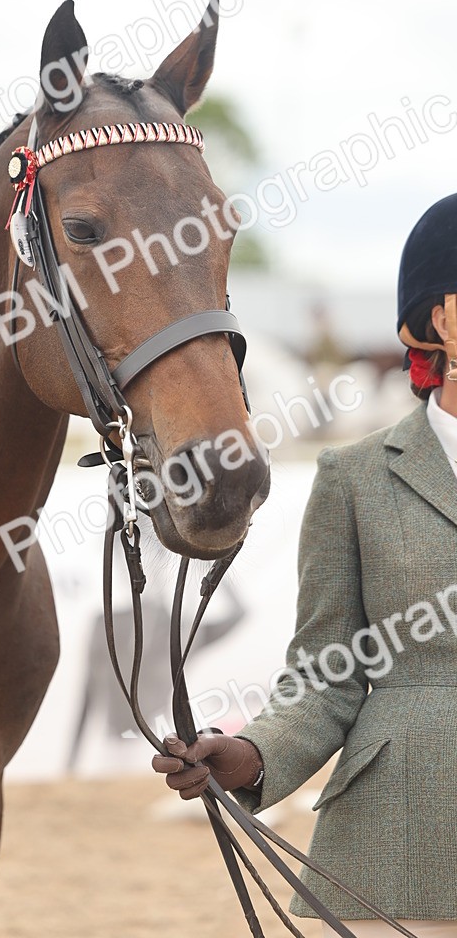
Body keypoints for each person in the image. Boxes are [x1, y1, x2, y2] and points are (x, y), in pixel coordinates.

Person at [153, 193, 457, 937]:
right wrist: (252, 755)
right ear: (440, 322)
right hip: (399, 847)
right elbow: (329, 672)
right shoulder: (355, 478)